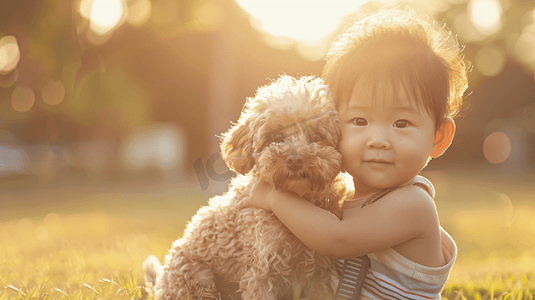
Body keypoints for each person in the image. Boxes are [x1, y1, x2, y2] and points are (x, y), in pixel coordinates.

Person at [239, 7, 469, 300]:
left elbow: (336, 239)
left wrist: (274, 197)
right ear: (332, 127)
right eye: (360, 121)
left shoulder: (413, 205)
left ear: (438, 137)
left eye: (401, 123)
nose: (378, 140)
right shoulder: (346, 198)